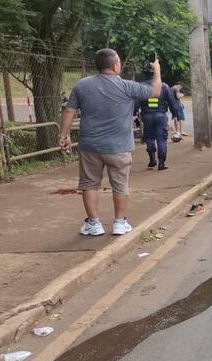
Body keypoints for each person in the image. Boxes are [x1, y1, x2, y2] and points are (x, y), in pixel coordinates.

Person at [59, 48, 161, 236]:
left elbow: (68, 111)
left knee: (89, 184)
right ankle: (120, 223)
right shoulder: (127, 86)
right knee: (120, 185)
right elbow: (155, 91)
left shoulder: (82, 85)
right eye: (119, 62)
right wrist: (157, 69)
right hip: (119, 147)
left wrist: (63, 135)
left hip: (90, 146)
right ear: (115, 66)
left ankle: (93, 224)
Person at [135, 63, 181, 171]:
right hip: (160, 116)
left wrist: (134, 113)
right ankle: (161, 163)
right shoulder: (164, 86)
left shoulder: (141, 87)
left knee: (149, 137)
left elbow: (136, 103)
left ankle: (152, 159)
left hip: (147, 116)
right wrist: (175, 114)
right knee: (161, 139)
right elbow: (171, 102)